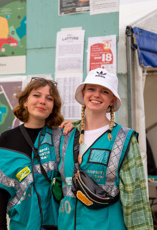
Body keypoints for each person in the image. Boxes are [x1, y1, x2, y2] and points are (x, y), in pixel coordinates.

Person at [58, 68, 153, 230]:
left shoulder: (124, 139)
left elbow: (135, 197)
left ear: (112, 100)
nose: (96, 95)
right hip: (67, 225)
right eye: (91, 89)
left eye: (104, 91)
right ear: (83, 93)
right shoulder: (65, 135)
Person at [0, 77, 64, 230]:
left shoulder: (62, 137)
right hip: (22, 224)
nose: (42, 101)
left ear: (53, 106)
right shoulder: (8, 139)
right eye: (37, 95)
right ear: (25, 101)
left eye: (49, 98)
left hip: (58, 222)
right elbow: (1, 188)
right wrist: (0, 226)